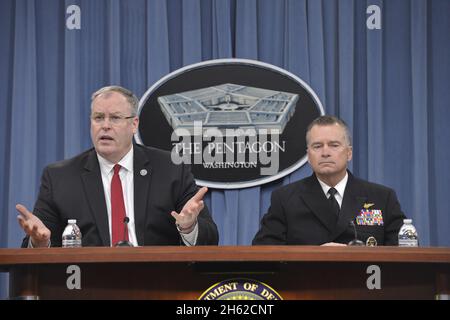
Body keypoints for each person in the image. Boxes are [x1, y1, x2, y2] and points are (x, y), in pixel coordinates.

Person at [16, 85, 218, 247]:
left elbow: (210, 238)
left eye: (115, 118)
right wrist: (40, 242)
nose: (105, 125)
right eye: (98, 118)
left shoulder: (171, 169)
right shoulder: (60, 177)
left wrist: (189, 227)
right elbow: (37, 241)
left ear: (134, 124)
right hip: (87, 284)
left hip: (158, 281)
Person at [253, 115, 406, 246]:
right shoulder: (285, 199)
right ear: (308, 156)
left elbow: (405, 252)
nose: (325, 153)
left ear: (349, 153)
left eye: (334, 145)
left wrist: (351, 254)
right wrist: (316, 256)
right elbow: (264, 252)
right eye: (317, 146)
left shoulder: (382, 197)